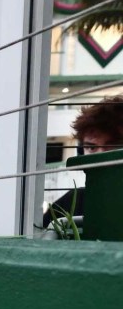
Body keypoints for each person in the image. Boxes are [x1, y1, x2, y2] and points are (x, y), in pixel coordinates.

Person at [44, 93, 123, 228]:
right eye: (91, 147)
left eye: (114, 146)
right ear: (81, 150)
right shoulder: (70, 203)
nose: (100, 156)